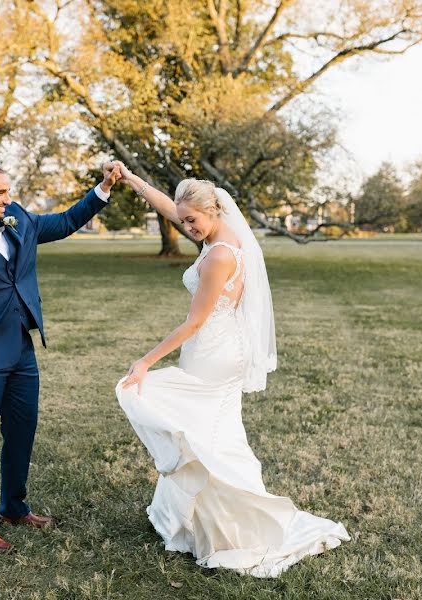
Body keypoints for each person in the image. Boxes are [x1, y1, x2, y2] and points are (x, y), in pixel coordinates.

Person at [110, 161, 351, 578]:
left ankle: (233, 524)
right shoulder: (225, 234)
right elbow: (171, 207)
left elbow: (195, 321)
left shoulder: (219, 255)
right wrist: (132, 180)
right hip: (221, 348)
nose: (187, 228)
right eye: (183, 220)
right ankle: (202, 517)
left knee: (199, 429)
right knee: (212, 430)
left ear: (214, 210)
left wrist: (146, 361)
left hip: (212, 352)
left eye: (193, 220)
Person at [0, 161, 122, 553]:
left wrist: (102, 188)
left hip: (22, 352)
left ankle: (15, 508)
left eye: (8, 191)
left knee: (22, 433)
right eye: (0, 192)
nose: (8, 198)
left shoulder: (17, 218)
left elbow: (67, 221)